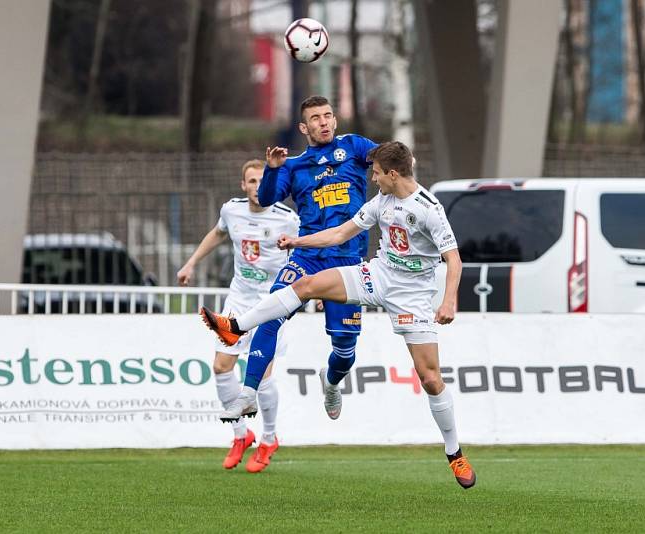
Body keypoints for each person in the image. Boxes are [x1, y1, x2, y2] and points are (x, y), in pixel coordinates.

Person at [201, 141, 476, 489]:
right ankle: (235, 326)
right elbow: (340, 233)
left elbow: (453, 258)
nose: (372, 178)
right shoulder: (382, 201)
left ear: (393, 174)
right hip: (377, 276)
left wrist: (448, 300)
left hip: (413, 296)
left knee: (431, 379)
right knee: (307, 284)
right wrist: (298, 243)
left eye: (376, 173)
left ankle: (455, 454)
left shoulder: (428, 209)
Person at [207, 95, 378, 423]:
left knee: (344, 348)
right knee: (272, 312)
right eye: (316, 118)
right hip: (308, 257)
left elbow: (387, 159)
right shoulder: (295, 166)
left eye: (328, 116)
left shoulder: (354, 146)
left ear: (335, 120)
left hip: (347, 262)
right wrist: (271, 171)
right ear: (304, 127)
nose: (324, 122)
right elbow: (268, 197)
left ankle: (331, 381)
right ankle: (247, 394)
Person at [177, 159, 299, 473]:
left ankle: (269, 439)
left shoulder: (288, 218)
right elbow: (217, 234)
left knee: (263, 376)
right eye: (252, 182)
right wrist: (191, 264)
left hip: (273, 302)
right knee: (220, 367)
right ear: (243, 186)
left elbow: (306, 251)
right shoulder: (231, 210)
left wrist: (315, 290)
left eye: (263, 181)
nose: (258, 188)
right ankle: (240, 435)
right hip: (240, 299)